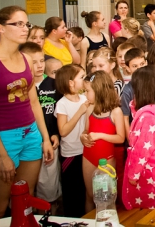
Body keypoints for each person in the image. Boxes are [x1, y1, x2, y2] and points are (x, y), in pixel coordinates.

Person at [0, 7, 54, 219]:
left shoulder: (26, 59)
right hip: (2, 137)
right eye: (18, 24)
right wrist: (2, 155)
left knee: (25, 199)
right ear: (1, 28)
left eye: (26, 24)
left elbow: (34, 103)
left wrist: (45, 138)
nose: (25, 28)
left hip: (30, 134)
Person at [123, 66, 155, 210]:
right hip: (154, 166)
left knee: (150, 209)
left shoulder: (147, 117)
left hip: (147, 169)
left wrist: (133, 174)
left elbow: (142, 150)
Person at [19, 43, 62, 206]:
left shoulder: (53, 84)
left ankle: (48, 211)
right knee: (25, 185)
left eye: (42, 61)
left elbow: (60, 112)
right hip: (26, 140)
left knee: (48, 184)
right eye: (34, 62)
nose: (39, 66)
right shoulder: (19, 85)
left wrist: (56, 133)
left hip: (50, 140)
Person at [81, 71, 124, 213]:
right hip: (88, 156)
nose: (85, 94)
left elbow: (120, 138)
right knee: (90, 195)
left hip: (107, 159)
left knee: (106, 198)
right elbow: (86, 130)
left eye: (87, 91)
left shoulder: (116, 111)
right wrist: (83, 136)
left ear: (98, 90)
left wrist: (100, 135)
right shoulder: (90, 109)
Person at [54, 64, 88, 217]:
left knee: (84, 189)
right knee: (72, 192)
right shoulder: (62, 104)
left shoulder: (85, 98)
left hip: (86, 151)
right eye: (81, 77)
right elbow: (63, 130)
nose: (85, 79)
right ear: (70, 82)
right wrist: (80, 111)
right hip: (71, 154)